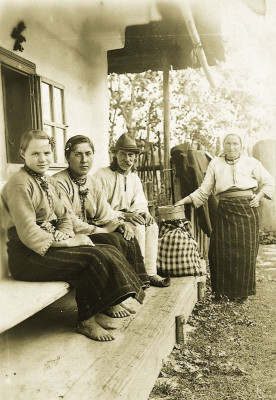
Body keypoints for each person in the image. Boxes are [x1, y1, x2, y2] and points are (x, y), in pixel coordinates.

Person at [1, 129, 147, 342]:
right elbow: (30, 235)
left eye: (46, 153)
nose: (42, 159)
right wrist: (70, 242)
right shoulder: (19, 183)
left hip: (48, 246)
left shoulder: (47, 181)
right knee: (93, 256)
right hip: (26, 257)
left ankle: (107, 303)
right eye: (35, 154)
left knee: (106, 248)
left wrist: (65, 234)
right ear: (22, 154)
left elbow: (65, 217)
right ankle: (86, 321)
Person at [53, 135, 149, 315]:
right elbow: (69, 221)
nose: (84, 160)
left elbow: (105, 212)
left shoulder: (92, 182)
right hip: (68, 237)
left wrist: (120, 223)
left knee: (122, 236)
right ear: (67, 157)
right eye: (77, 154)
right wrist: (102, 229)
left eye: (88, 154)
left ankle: (118, 296)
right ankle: (108, 302)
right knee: (110, 241)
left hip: (87, 232)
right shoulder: (58, 182)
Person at [175, 133, 274, 301]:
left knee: (245, 252)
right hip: (225, 209)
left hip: (247, 209)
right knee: (218, 250)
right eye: (228, 143)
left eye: (235, 143)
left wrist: (258, 196)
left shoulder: (251, 163)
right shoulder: (216, 163)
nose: (231, 147)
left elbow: (269, 182)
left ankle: (241, 293)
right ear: (223, 145)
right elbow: (203, 191)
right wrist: (182, 202)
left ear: (241, 146)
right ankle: (222, 292)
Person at [93, 133, 171, 287]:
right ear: (115, 155)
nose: (127, 159)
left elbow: (139, 202)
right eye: (122, 154)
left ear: (135, 158)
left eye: (131, 155)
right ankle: (137, 275)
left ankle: (150, 273)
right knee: (139, 227)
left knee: (151, 225)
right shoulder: (101, 175)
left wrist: (143, 213)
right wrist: (123, 216)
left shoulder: (134, 178)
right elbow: (99, 207)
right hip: (108, 220)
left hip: (128, 217)